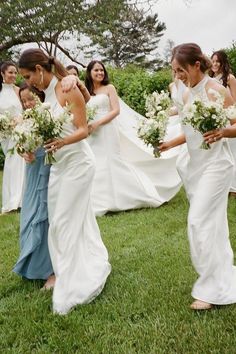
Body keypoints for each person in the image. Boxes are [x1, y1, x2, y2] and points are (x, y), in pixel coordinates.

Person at [18, 49, 111, 315]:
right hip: (58, 167)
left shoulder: (66, 88)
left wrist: (60, 142)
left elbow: (83, 130)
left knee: (64, 223)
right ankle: (78, 266)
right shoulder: (44, 96)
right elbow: (45, 130)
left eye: (28, 75)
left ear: (39, 69)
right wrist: (29, 146)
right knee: (61, 223)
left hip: (79, 165)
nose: (29, 82)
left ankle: (70, 283)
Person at [160, 43, 236, 310]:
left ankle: (211, 289)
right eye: (174, 71)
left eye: (181, 70)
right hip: (196, 166)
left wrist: (223, 133)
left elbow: (235, 123)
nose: (178, 75)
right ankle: (220, 277)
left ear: (196, 65)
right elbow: (192, 131)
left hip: (217, 165)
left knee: (197, 220)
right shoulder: (185, 93)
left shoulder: (216, 90)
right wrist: (172, 143)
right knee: (213, 225)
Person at [85, 60, 182, 216]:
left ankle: (138, 195)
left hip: (108, 129)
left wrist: (98, 123)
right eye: (96, 70)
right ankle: (99, 201)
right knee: (96, 163)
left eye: (102, 70)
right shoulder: (86, 92)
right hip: (93, 132)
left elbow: (115, 111)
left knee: (112, 160)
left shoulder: (109, 88)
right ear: (89, 72)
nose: (100, 73)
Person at [13, 83, 54, 288]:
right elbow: (20, 145)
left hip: (47, 167)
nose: (28, 104)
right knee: (29, 212)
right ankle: (30, 263)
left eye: (30, 99)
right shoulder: (24, 119)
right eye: (24, 101)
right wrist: (24, 152)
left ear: (39, 96)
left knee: (43, 214)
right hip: (31, 169)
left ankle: (48, 268)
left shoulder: (49, 115)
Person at [209, 50, 236, 195]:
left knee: (232, 153)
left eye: (217, 61)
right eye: (212, 61)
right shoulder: (210, 79)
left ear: (223, 62)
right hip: (215, 120)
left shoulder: (230, 78)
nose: (214, 64)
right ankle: (221, 186)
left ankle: (233, 188)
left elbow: (235, 101)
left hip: (229, 118)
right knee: (219, 155)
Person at [0, 61, 25, 214]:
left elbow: (26, 107)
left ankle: (20, 199)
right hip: (5, 133)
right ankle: (11, 198)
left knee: (19, 161)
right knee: (11, 163)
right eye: (10, 72)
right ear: (2, 73)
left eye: (15, 72)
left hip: (20, 130)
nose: (14, 75)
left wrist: (20, 119)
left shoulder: (18, 90)